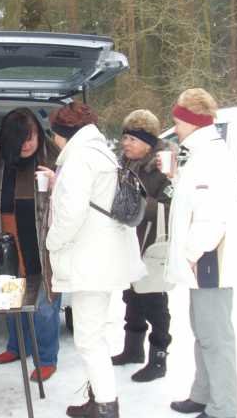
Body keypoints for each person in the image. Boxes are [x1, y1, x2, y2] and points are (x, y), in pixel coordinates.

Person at [44, 102, 144, 418]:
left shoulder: (78, 159)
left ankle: (105, 406)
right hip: (104, 257)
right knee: (94, 333)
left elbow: (71, 215)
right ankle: (100, 398)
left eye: (55, 135)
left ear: (64, 133)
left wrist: (51, 241)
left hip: (90, 261)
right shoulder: (100, 153)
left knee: (89, 338)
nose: (54, 141)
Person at [0, 107, 61, 382]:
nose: (27, 144)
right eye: (20, 140)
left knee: (45, 304)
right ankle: (17, 347)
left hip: (45, 241)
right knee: (9, 296)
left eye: (31, 137)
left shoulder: (54, 155)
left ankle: (46, 358)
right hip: (4, 237)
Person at [166, 88, 237, 418]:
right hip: (202, 259)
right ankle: (203, 394)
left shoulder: (210, 156)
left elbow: (212, 217)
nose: (175, 126)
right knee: (203, 332)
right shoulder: (197, 152)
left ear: (191, 120)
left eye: (177, 120)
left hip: (210, 259)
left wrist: (190, 254)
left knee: (216, 337)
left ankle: (223, 408)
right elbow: (191, 203)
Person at [110, 109, 174, 382]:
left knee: (154, 302)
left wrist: (134, 206)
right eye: (124, 138)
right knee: (132, 296)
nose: (125, 144)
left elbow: (171, 207)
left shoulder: (164, 166)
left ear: (148, 142)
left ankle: (158, 359)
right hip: (128, 243)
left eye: (132, 139)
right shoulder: (122, 164)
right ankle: (132, 349)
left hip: (152, 243)